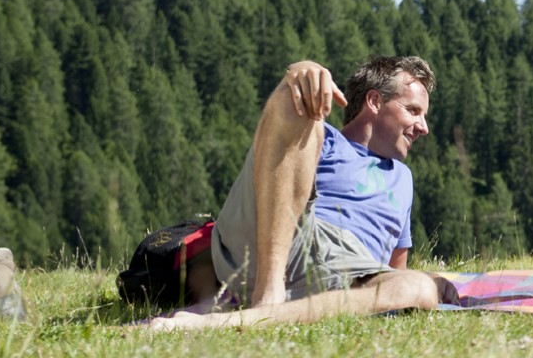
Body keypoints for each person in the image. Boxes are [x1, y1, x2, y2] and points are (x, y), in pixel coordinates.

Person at [148, 56, 451, 330]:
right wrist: (304, 70)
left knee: (419, 288)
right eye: (413, 111)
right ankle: (268, 295)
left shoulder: (404, 178)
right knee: (302, 110)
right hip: (284, 239)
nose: (423, 127)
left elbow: (393, 271)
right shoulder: (324, 138)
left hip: (344, 272)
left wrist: (422, 284)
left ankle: (227, 322)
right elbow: (290, 103)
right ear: (374, 101)